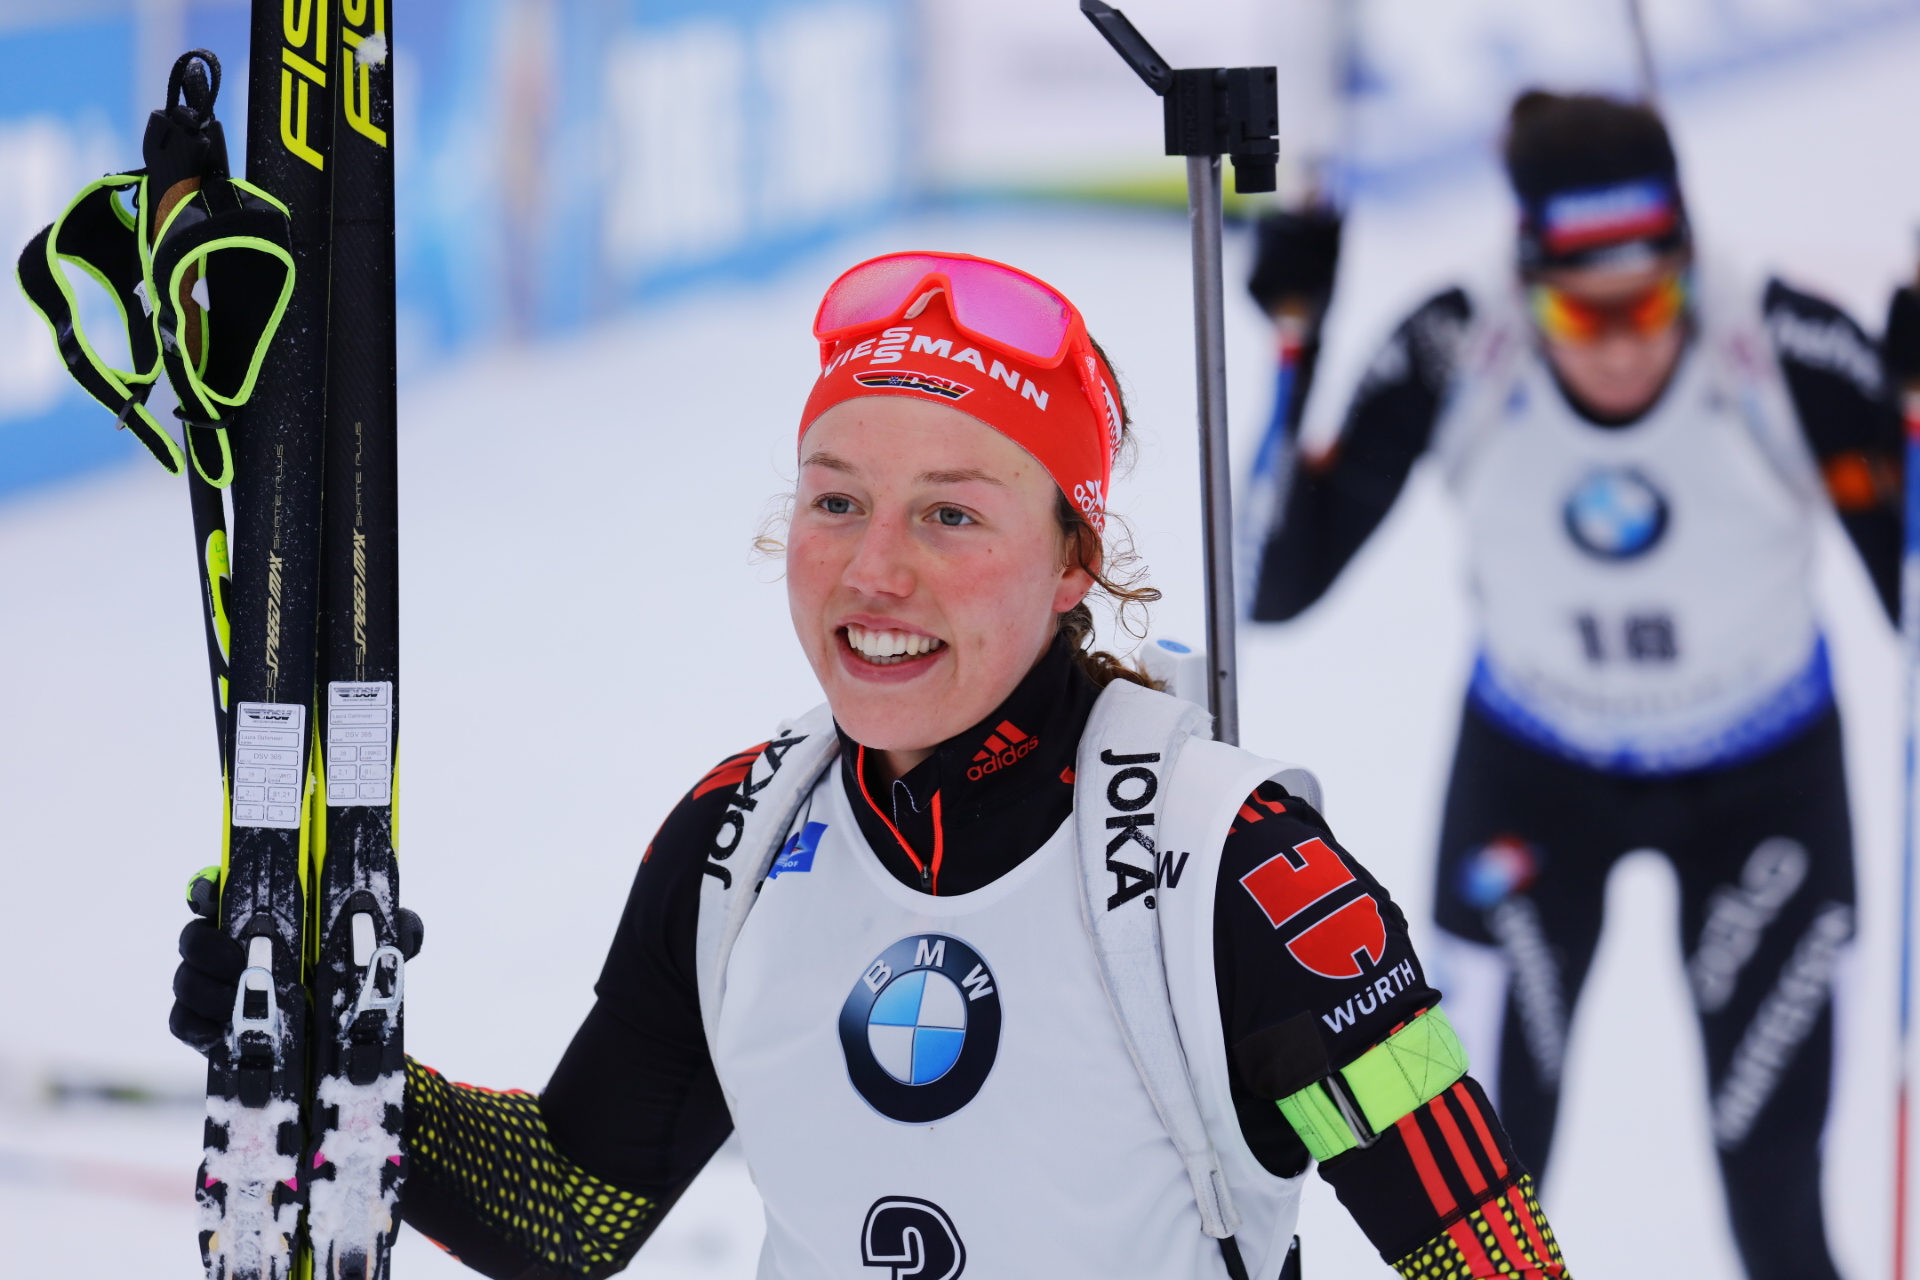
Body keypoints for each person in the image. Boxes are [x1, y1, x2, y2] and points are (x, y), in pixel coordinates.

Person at [172, 251, 1572, 1280]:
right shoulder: (738, 840)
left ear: (1074, 559)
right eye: (836, 499)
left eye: (951, 515)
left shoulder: (1239, 873)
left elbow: (1491, 1253)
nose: (875, 570)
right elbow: (572, 1206)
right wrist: (344, 1075)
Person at [1245, 92, 1907, 1280]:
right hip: (1535, 777)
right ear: (1526, 276)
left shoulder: (1781, 341)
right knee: (1471, 1200)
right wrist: (1298, 339)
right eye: (1577, 309)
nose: (1618, 343)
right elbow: (1272, 581)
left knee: (1775, 1194)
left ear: (1687, 263)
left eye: (1650, 301)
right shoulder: (1460, 341)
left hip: (1764, 784)